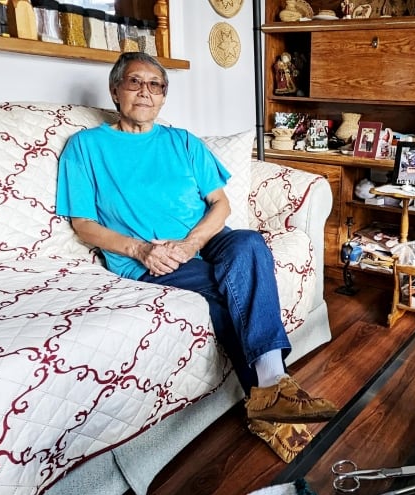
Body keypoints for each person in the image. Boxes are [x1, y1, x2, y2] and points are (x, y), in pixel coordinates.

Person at [55, 52, 338, 461]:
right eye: (135, 82)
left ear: (164, 97)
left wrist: (190, 244)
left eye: (156, 85)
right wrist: (141, 249)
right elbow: (83, 224)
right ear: (116, 90)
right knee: (227, 299)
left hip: (202, 241)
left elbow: (219, 205)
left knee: (250, 244)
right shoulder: (86, 148)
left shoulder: (182, 141)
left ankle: (273, 387)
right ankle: (275, 408)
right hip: (149, 261)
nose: (146, 92)